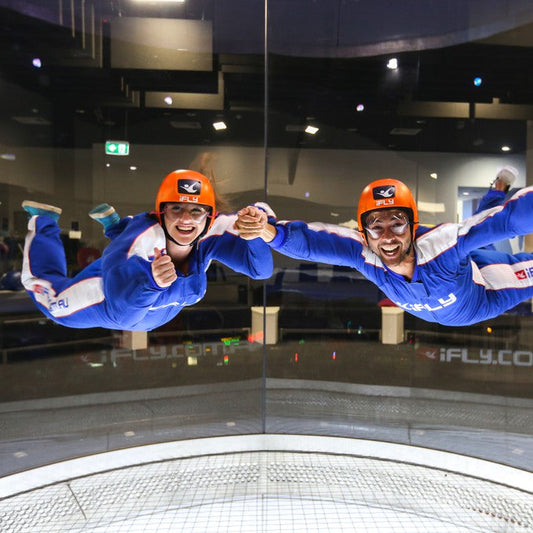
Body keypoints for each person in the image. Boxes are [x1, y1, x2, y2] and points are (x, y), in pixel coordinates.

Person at [234, 178, 533, 326]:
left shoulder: (441, 245)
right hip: (455, 278)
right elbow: (316, 244)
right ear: (364, 232)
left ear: (413, 225)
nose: (388, 237)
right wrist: (268, 231)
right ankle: (496, 189)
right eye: (376, 226)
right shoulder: (366, 254)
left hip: (482, 292)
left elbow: (504, 223)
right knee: (480, 241)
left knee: (486, 242)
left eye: (398, 223)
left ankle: (497, 190)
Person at [21, 169, 273, 331]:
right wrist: (150, 282)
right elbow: (124, 317)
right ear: (161, 213)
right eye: (176, 209)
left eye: (196, 211)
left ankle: (117, 227)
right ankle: (43, 222)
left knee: (130, 241)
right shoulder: (140, 242)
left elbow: (260, 270)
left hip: (147, 299)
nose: (186, 220)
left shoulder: (211, 230)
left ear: (209, 216)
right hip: (109, 292)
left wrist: (255, 232)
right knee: (53, 307)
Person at [474, 165, 519, 252]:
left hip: (480, 240)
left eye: (498, 181)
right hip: (480, 239)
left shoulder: (495, 198)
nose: (496, 184)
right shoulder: (496, 198)